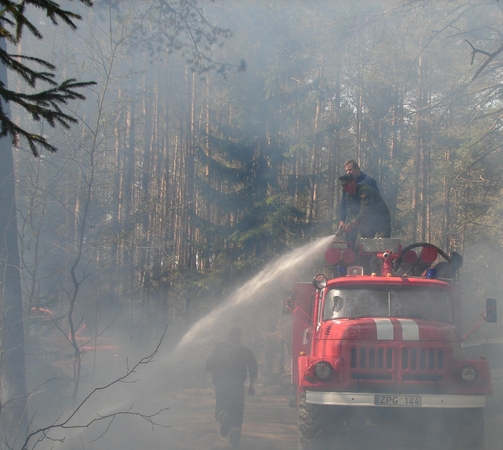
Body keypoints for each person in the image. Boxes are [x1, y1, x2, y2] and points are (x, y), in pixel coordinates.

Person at [205, 327, 258, 447]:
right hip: (238, 387)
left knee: (220, 408)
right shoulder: (246, 351)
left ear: (228, 336)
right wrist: (251, 386)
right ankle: (234, 442)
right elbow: (253, 369)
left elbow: (209, 364)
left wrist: (215, 378)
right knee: (238, 411)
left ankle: (224, 419)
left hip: (221, 385)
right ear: (239, 337)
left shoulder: (219, 348)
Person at [339, 173, 391, 246]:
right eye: (343, 186)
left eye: (346, 185)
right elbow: (352, 213)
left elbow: (366, 210)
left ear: (353, 182)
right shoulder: (349, 197)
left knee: (382, 247)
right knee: (360, 246)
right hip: (368, 223)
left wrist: (352, 224)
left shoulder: (365, 190)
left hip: (381, 220)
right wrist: (346, 226)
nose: (345, 188)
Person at [338, 159, 379, 233]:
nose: (348, 172)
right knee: (350, 243)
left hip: (368, 223)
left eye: (350, 170)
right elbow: (343, 204)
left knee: (364, 243)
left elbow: (376, 203)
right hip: (352, 222)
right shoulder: (346, 184)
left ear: (357, 167)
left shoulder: (369, 181)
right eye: (346, 171)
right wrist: (342, 220)